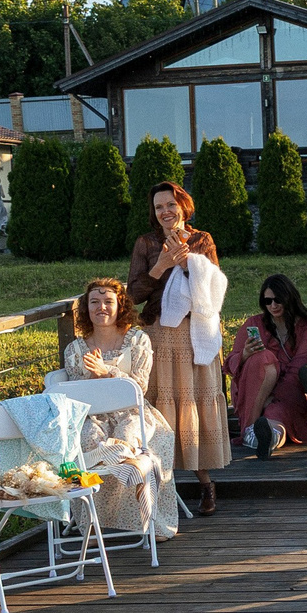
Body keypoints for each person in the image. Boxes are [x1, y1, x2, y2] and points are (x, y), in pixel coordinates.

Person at [125, 181, 227, 519]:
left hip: (194, 332)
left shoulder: (202, 240)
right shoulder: (146, 243)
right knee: (162, 409)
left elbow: (214, 287)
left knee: (192, 404)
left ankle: (205, 483)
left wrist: (187, 263)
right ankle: (157, 486)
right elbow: (133, 294)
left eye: (170, 205)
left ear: (183, 206)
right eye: (158, 207)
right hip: (159, 333)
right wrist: (163, 264)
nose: (165, 212)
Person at [52, 276, 180, 546]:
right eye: (94, 302)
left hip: (131, 410)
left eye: (108, 301)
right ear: (85, 309)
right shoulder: (75, 349)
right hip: (92, 413)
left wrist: (105, 371)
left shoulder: (137, 340)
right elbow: (77, 394)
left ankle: (146, 514)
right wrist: (93, 378)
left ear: (120, 306)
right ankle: (94, 519)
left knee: (129, 435)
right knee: (87, 438)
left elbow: (140, 386)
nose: (101, 307)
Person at [225, 273, 307, 460]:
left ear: (289, 298)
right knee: (264, 357)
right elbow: (230, 364)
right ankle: (251, 428)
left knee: (277, 414)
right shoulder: (253, 324)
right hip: (253, 392)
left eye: (278, 300)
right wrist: (244, 355)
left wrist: (274, 397)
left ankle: (268, 439)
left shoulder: (306, 327)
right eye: (268, 301)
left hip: (290, 391)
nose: (273, 306)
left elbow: (301, 366)